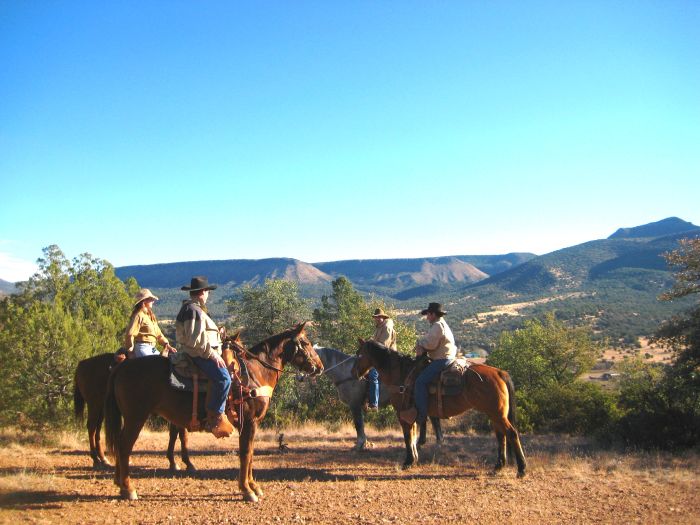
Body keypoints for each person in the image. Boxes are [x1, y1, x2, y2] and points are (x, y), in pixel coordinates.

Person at [175, 276, 233, 438]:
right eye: (207, 291)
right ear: (202, 292)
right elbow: (195, 341)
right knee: (224, 379)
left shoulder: (193, 309)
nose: (208, 294)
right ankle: (214, 417)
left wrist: (217, 333)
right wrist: (213, 355)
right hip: (199, 354)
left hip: (198, 352)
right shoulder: (194, 310)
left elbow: (201, 333)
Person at [411, 302, 457, 425]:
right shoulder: (442, 324)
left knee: (420, 382)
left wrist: (419, 345)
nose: (427, 317)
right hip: (447, 357)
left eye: (428, 314)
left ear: (433, 314)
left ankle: (422, 413)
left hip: (442, 359)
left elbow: (430, 344)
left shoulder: (437, 325)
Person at [123, 289, 175, 359]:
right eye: (151, 299)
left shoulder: (150, 316)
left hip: (152, 349)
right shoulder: (139, 315)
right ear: (144, 301)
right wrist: (130, 351)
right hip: (142, 348)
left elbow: (159, 335)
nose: (153, 301)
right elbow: (130, 334)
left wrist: (167, 345)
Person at [367, 307, 397, 410]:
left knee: (373, 375)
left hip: (386, 357)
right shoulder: (379, 327)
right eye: (376, 317)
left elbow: (383, 346)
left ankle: (374, 404)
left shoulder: (387, 328)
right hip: (378, 356)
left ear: (383, 318)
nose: (377, 318)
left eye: (379, 317)